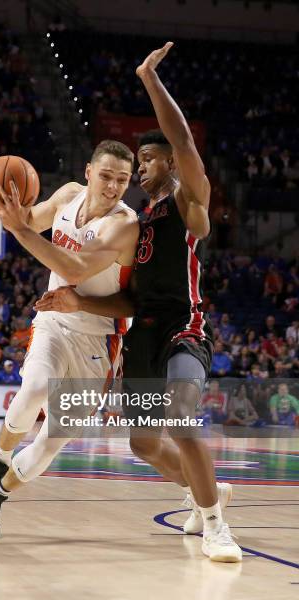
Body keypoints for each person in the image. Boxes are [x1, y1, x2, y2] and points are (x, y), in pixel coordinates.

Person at [35, 43, 241, 562]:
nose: (139, 168)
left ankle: (217, 526)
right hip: (143, 332)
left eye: (147, 159)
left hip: (183, 327)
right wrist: (75, 300)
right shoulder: (136, 222)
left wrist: (149, 79)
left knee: (182, 416)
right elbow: (126, 300)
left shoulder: (188, 205)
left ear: (171, 163)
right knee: (145, 444)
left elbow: (183, 140)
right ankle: (204, 492)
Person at [0, 139, 138, 539]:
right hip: (55, 320)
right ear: (89, 173)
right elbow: (31, 221)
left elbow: (72, 265)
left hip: (99, 342)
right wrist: (12, 211)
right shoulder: (68, 195)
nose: (112, 187)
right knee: (35, 386)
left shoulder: (125, 224)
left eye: (122, 181)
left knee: (51, 441)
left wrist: (20, 228)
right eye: (106, 176)